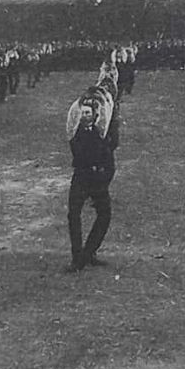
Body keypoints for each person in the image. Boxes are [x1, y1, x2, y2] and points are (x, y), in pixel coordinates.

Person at [65, 85, 119, 271]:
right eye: (84, 113)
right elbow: (73, 115)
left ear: (95, 115)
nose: (86, 116)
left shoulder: (101, 131)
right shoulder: (75, 133)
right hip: (81, 177)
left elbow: (107, 112)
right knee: (73, 214)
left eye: (89, 113)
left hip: (97, 179)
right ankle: (77, 256)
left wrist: (102, 98)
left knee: (105, 215)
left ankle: (89, 253)